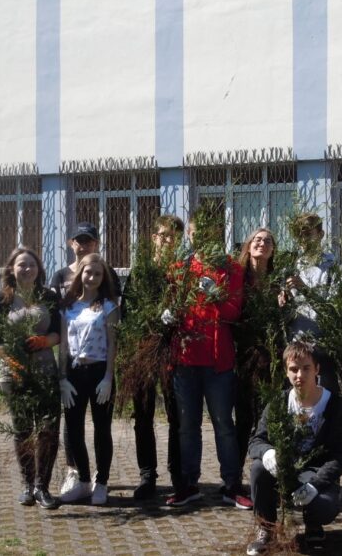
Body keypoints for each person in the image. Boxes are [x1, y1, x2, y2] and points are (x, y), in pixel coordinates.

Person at [164, 209, 251, 509]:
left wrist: (216, 294)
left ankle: (231, 485)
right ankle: (189, 484)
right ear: (190, 235)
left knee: (224, 424)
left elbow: (234, 313)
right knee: (187, 426)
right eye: (196, 232)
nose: (203, 237)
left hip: (218, 361)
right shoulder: (179, 269)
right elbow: (170, 309)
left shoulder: (232, 269)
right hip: (186, 359)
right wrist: (166, 315)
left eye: (209, 231)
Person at [246, 341, 342, 555]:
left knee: (324, 507)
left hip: (316, 473)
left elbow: (339, 457)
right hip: (285, 470)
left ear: (317, 369)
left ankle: (314, 524)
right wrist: (267, 452)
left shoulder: (335, 406)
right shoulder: (278, 402)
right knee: (257, 470)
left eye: (306, 368)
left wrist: (315, 484)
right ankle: (266, 528)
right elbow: (256, 441)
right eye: (293, 369)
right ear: (286, 371)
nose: (299, 375)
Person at [50, 221, 122, 495]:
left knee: (102, 430)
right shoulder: (68, 306)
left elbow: (113, 344)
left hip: (99, 372)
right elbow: (64, 345)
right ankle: (81, 480)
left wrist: (108, 377)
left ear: (103, 278)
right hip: (74, 373)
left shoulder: (108, 306)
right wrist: (63, 377)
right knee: (74, 428)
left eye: (97, 274)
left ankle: (101, 481)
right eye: (87, 273)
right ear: (79, 274)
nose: (91, 277)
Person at [0, 248, 61, 510]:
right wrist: (12, 361)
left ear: (39, 270)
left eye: (31, 265)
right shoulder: (2, 300)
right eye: (21, 265)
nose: (26, 269)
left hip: (45, 372)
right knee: (23, 429)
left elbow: (58, 332)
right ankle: (28, 485)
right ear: (11, 269)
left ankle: (43, 487)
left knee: (48, 428)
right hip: (14, 373)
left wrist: (45, 341)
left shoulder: (49, 297)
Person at [122, 214, 184, 500]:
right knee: (144, 415)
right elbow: (128, 312)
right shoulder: (141, 272)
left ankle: (177, 473)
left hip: (175, 353)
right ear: (153, 238)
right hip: (145, 353)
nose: (166, 240)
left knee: (177, 415)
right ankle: (147, 475)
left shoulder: (183, 272)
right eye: (162, 235)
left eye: (172, 236)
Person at [280, 212, 339, 394]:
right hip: (295, 347)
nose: (302, 240)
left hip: (322, 349)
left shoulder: (332, 266)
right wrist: (284, 300)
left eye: (307, 234)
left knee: (324, 407)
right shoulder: (292, 264)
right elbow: (287, 309)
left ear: (320, 235)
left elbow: (333, 312)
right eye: (299, 235)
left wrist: (305, 289)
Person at [235, 227, 278, 468]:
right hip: (242, 357)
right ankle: (234, 477)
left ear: (273, 250)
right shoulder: (237, 277)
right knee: (243, 417)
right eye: (257, 240)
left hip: (270, 358)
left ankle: (262, 470)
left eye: (268, 241)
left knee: (265, 417)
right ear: (249, 245)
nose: (262, 244)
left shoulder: (276, 281)